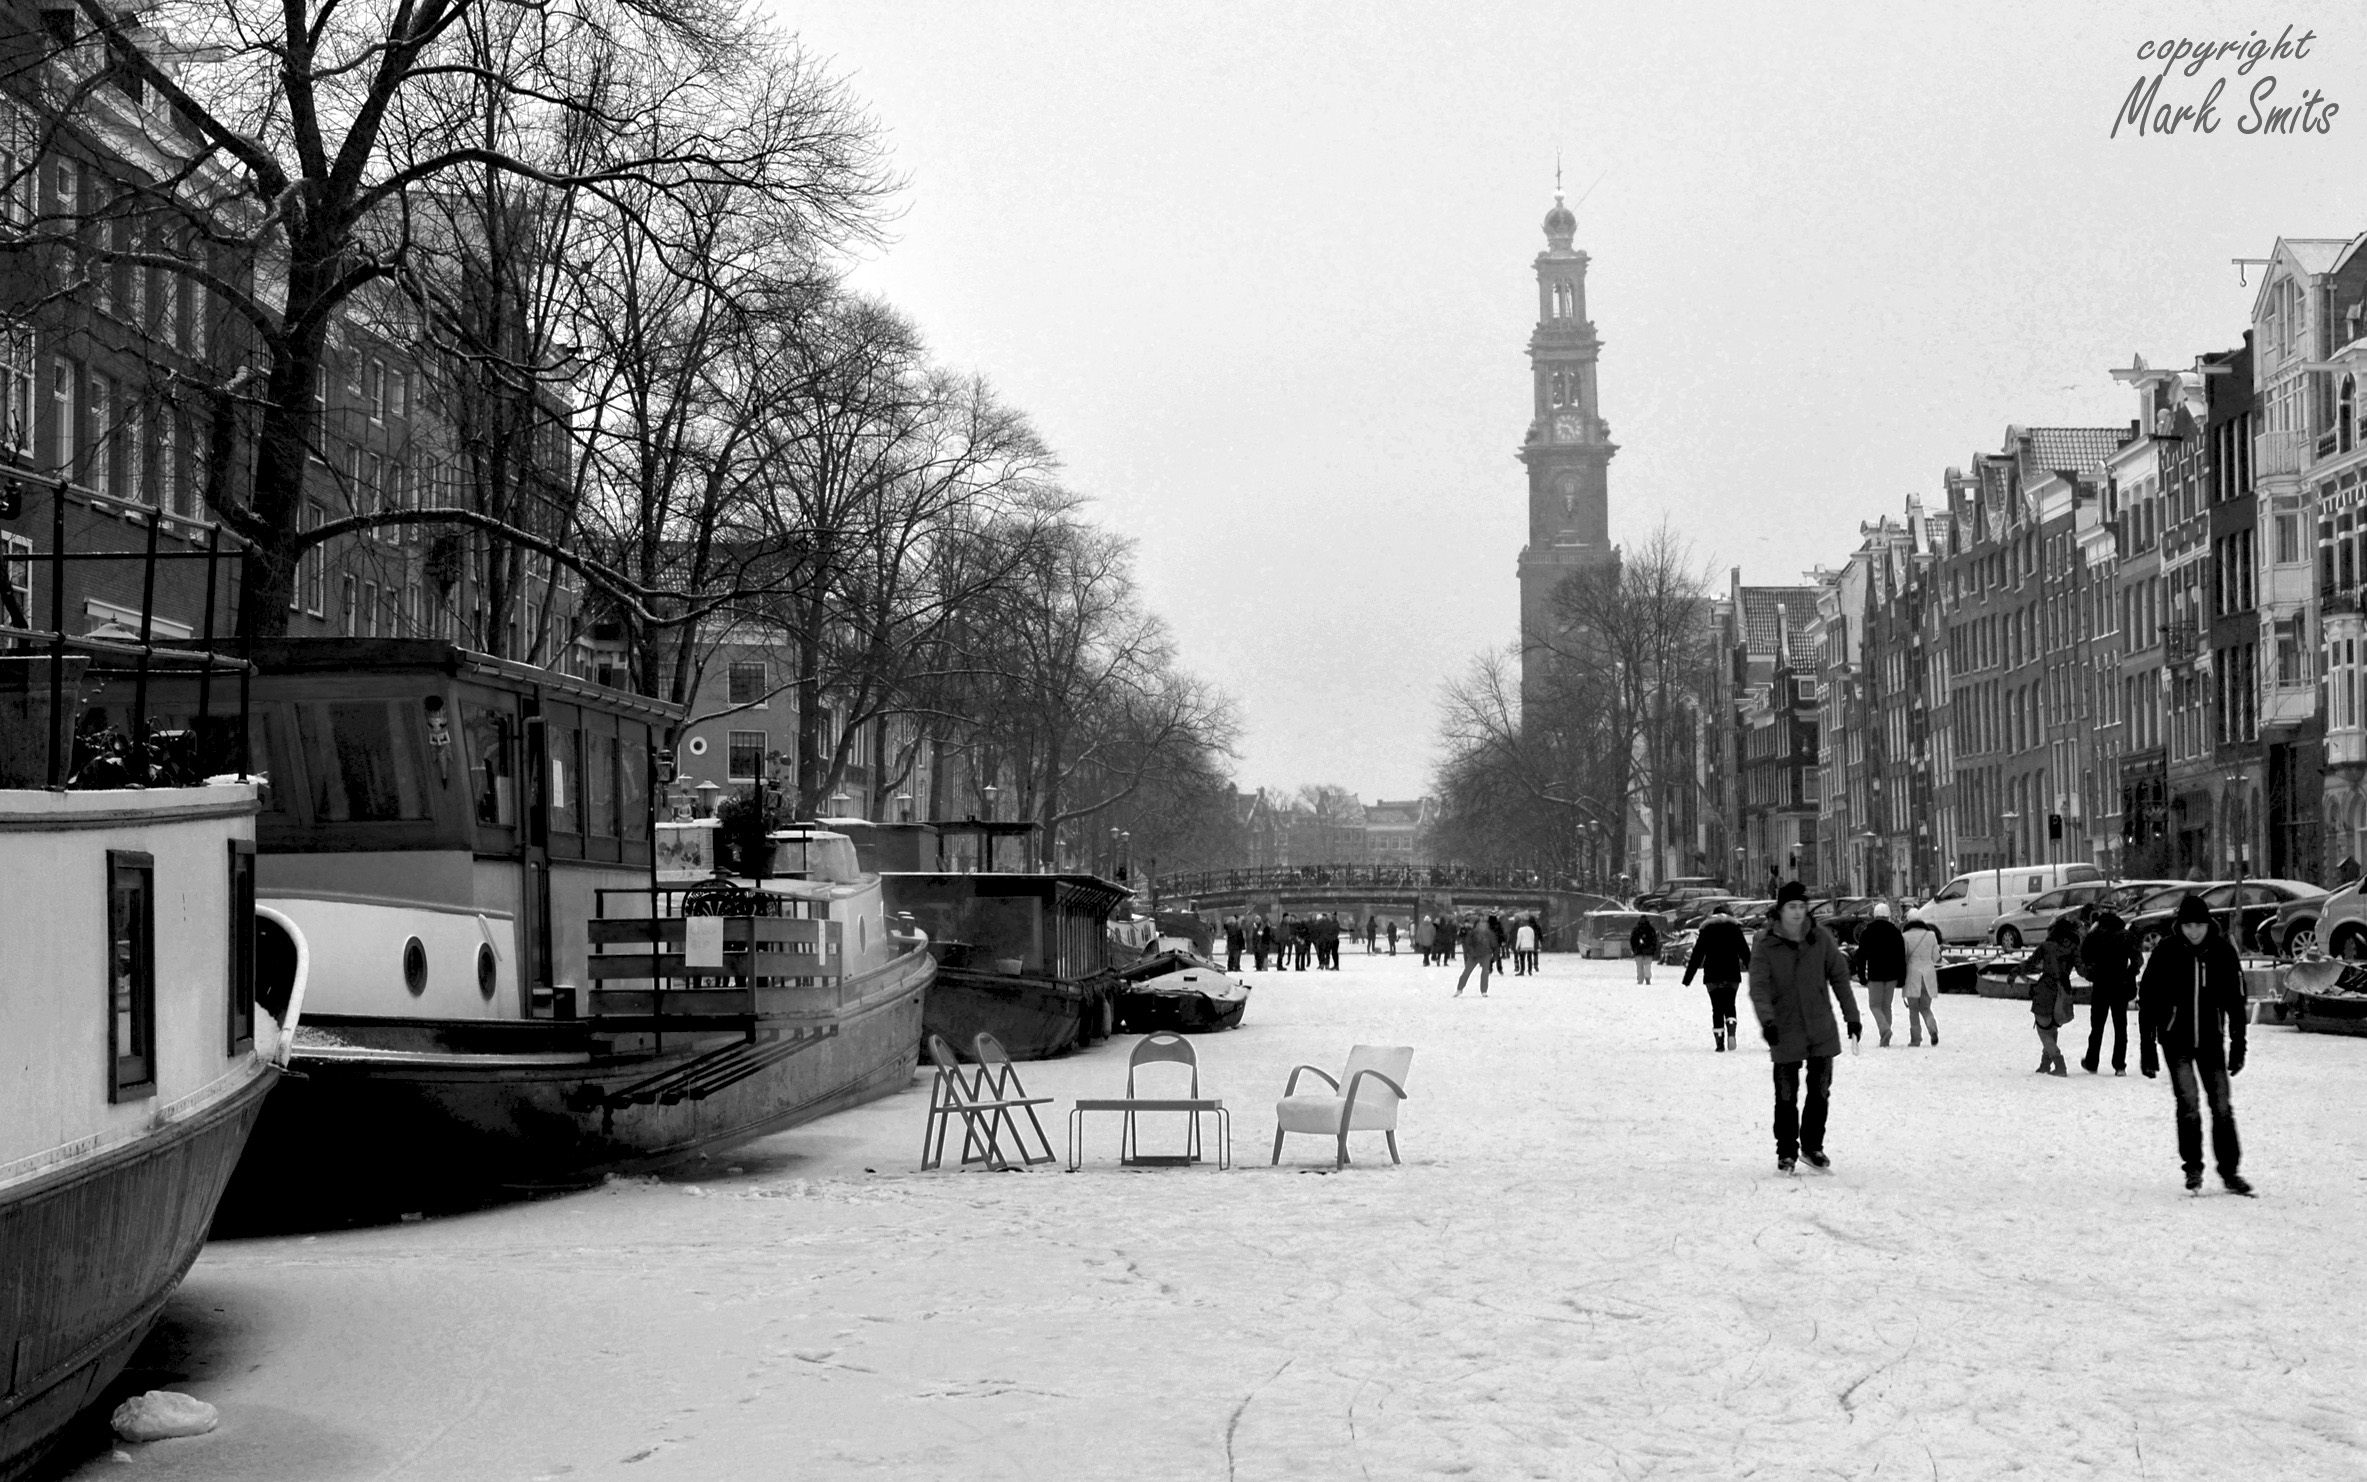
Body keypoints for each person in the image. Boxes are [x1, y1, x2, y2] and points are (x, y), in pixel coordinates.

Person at [2139, 893, 2253, 1195]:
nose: (2193, 931)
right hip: (2175, 1041)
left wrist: (2239, 1044)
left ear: (2207, 924)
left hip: (2211, 1042)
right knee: (2188, 1104)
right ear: (2180, 925)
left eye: (2198, 925)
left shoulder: (2222, 952)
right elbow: (2147, 1000)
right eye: (2188, 925)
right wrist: (2147, 1047)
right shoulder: (2166, 951)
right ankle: (2193, 1168)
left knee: (2221, 1106)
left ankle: (2230, 1171)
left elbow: (2236, 1002)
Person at [1748, 881, 1863, 1172]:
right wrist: (1767, 1021)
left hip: (1820, 1027)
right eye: (1791, 907)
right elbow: (1758, 987)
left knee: (1820, 1092)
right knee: (1786, 1094)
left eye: (1802, 907)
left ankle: (1812, 1147)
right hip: (1784, 1027)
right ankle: (1786, 1150)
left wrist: (1852, 1016)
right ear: (1781, 910)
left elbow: (1839, 978)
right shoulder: (1765, 944)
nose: (1798, 913)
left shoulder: (1820, 939)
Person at [2008, 915, 2083, 1075]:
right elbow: (2083, 970)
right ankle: (2045, 1064)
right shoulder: (2074, 948)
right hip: (2064, 990)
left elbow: (2029, 964)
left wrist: (2014, 972)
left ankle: (2059, 1063)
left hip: (2045, 990)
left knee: (2043, 1029)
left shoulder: (2046, 946)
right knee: (2053, 1028)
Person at [2077, 907, 2141, 1075]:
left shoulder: (2095, 935)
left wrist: (2092, 974)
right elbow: (2137, 959)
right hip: (2120, 984)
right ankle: (2120, 1065)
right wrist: (2130, 974)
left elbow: (2085, 956)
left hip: (2101, 984)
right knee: (2121, 1027)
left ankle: (2092, 1061)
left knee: (2097, 1026)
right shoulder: (2126, 935)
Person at [1682, 903, 1751, 1051]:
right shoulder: (1735, 929)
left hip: (1712, 975)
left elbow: (1697, 955)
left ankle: (1719, 1043)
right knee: (1730, 1004)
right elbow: (1745, 952)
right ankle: (1731, 1034)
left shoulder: (1707, 930)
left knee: (1717, 1008)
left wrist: (1688, 978)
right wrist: (1754, 970)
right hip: (1732, 974)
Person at [1855, 903, 1907, 1047]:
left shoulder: (1868, 932)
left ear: (1875, 915)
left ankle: (1884, 1030)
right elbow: (1901, 956)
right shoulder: (1895, 932)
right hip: (1892, 976)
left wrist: (1861, 975)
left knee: (1874, 1005)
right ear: (1888, 915)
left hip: (1875, 974)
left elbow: (1861, 956)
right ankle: (1885, 1036)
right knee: (1886, 1006)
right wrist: (1902, 977)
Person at [1898, 907, 1942, 1047]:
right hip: (1928, 974)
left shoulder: (1905, 936)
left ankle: (1916, 1038)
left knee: (1913, 1009)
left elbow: (1902, 957)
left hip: (1912, 975)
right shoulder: (1931, 935)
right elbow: (1937, 958)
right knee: (1926, 1008)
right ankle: (1932, 1029)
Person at [1455, 913, 1498, 997]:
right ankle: (1459, 989)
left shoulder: (1489, 934)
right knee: (1466, 972)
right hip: (1474, 956)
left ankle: (1484, 991)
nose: (1482, 927)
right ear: (1477, 926)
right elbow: (1468, 943)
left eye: (1484, 925)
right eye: (1481, 925)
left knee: (1485, 973)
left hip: (1485, 955)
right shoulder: (1472, 933)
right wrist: (1470, 952)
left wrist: (1495, 956)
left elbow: (1495, 945)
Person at [1629, 914, 1660, 985]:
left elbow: (1632, 941)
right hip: (1649, 952)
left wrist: (1634, 950)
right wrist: (1653, 950)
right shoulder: (1651, 929)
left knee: (1639, 967)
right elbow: (1654, 941)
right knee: (1647, 966)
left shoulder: (1636, 929)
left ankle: (1640, 980)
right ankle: (1647, 978)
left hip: (1638, 951)